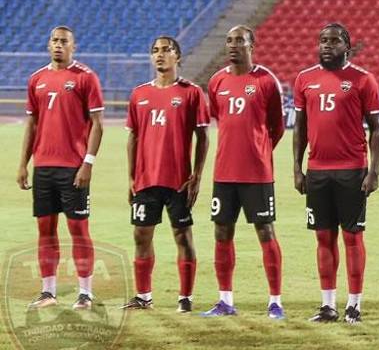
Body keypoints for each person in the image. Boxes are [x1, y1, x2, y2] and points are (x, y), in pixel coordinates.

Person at [292, 24, 379, 324]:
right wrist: (297, 167)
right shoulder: (305, 79)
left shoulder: (362, 80)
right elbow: (300, 129)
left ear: (348, 46)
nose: (327, 46)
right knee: (323, 238)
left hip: (352, 171)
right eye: (323, 41)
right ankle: (327, 305)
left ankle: (354, 304)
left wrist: (374, 171)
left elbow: (376, 130)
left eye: (334, 41)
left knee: (353, 237)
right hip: (317, 172)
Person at [18, 26, 105, 311]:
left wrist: (88, 162)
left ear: (73, 47)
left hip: (73, 168)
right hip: (43, 167)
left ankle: (85, 293)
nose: (58, 45)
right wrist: (23, 164)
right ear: (48, 45)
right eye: (54, 40)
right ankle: (48, 292)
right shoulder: (37, 79)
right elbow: (31, 125)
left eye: (64, 41)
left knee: (78, 229)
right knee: (45, 230)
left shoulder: (85, 77)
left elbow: (97, 124)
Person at [202, 26, 286, 318]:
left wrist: (260, 151)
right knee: (222, 232)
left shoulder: (265, 81)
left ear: (253, 45)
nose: (233, 45)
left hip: (257, 174)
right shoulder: (216, 81)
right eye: (229, 40)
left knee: (265, 231)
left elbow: (277, 126)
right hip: (224, 172)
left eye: (239, 40)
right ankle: (225, 300)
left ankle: (275, 301)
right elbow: (219, 118)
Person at [121, 36, 209, 312]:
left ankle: (185, 297)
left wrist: (196, 174)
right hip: (146, 180)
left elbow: (203, 136)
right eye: (155, 51)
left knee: (183, 236)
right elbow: (133, 137)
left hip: (178, 180)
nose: (160, 55)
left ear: (178, 57)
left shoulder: (191, 93)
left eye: (166, 50)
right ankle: (143, 296)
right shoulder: (139, 94)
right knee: (140, 236)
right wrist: (131, 177)